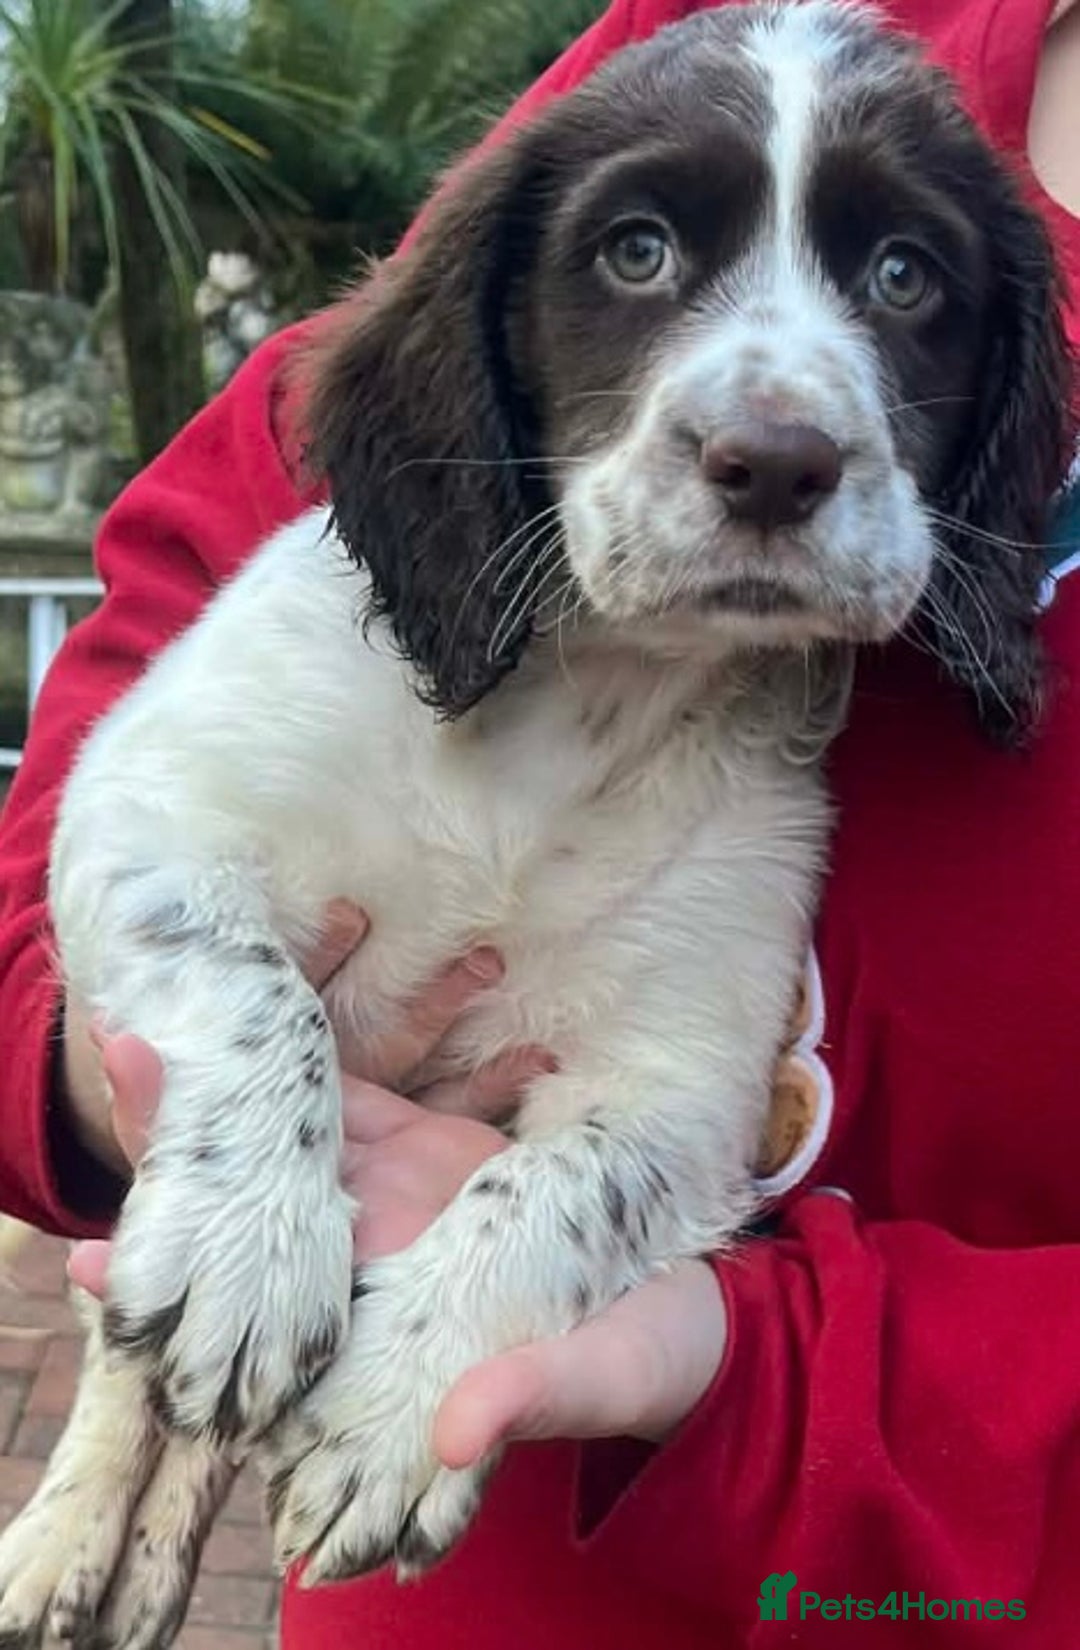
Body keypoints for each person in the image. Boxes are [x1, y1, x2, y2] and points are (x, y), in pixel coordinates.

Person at [1, 0, 1079, 1643]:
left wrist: (510, 1315)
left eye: (904, 279)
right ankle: (112, 1465)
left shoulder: (760, 768)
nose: (777, 420)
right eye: (640, 251)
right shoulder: (675, 52)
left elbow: (666, 1125)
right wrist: (173, 1086)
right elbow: (130, 806)